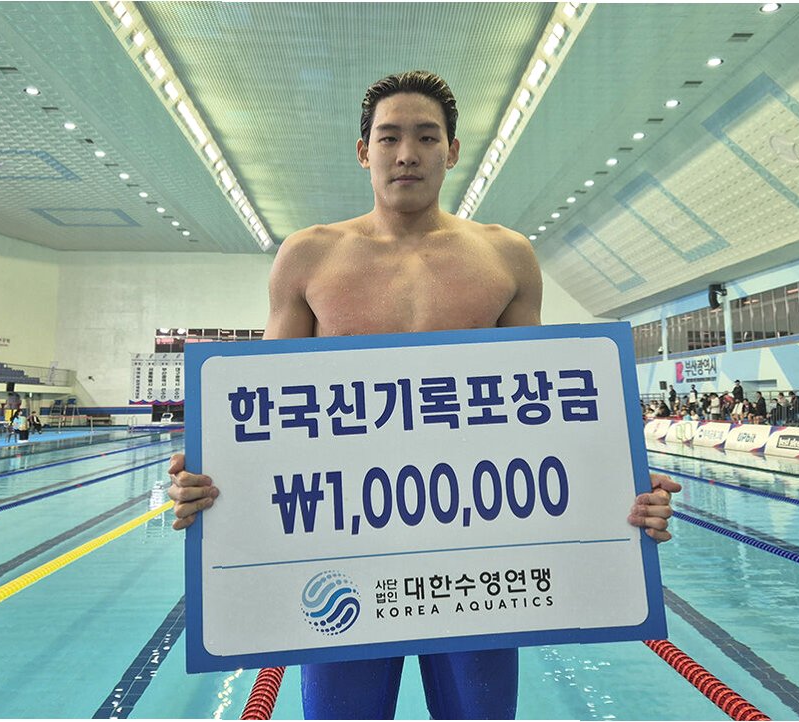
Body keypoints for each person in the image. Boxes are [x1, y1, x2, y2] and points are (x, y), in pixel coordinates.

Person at [165, 70, 680, 721]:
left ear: (452, 150)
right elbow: (263, 414)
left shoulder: (506, 257)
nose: (406, 153)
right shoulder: (308, 257)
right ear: (364, 151)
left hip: (479, 566)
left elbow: (540, 410)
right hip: (338, 564)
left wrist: (616, 482)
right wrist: (207, 480)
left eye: (426, 137)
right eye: (389, 138)